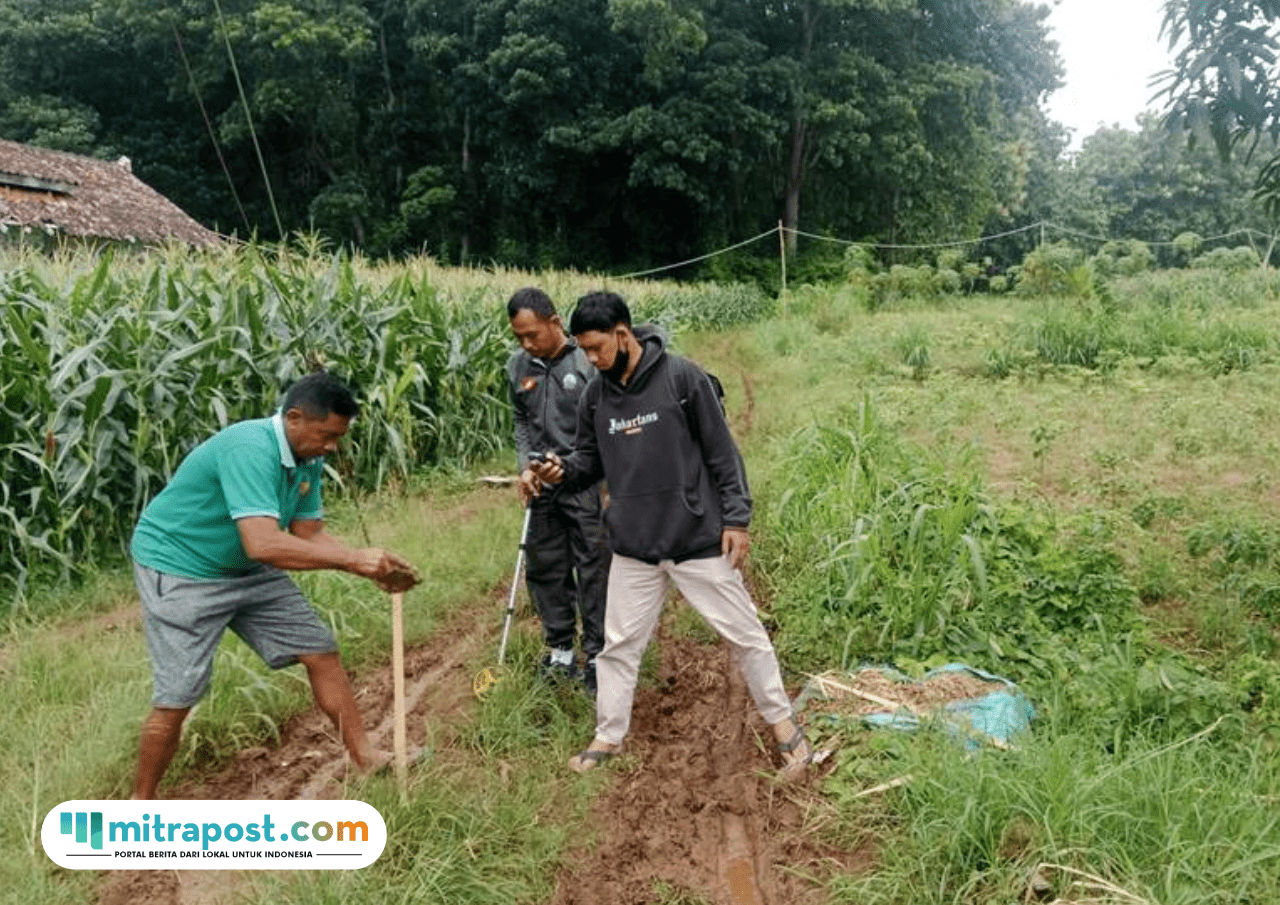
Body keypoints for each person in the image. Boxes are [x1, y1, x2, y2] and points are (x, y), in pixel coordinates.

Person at [527, 291, 812, 776]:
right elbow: (586, 463)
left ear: (623, 334)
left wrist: (737, 519)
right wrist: (558, 471)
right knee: (617, 648)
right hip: (635, 548)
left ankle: (784, 726)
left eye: (597, 348)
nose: (591, 360)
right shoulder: (596, 395)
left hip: (695, 540)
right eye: (584, 350)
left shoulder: (683, 378)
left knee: (745, 636)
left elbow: (723, 454)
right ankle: (608, 736)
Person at [128, 371, 419, 799]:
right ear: (294, 418)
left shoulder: (307, 457)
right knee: (179, 692)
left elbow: (308, 533)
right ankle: (141, 802)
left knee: (320, 650)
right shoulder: (250, 448)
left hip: (247, 566)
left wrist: (368, 566)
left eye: (338, 437)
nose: (331, 446)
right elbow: (263, 542)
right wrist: (354, 559)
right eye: (325, 435)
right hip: (181, 568)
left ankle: (366, 760)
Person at [506, 287, 610, 696]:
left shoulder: (586, 363)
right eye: (519, 337)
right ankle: (560, 651)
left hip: (583, 481)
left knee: (593, 568)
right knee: (545, 567)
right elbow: (520, 420)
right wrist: (524, 468)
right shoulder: (518, 367)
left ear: (555, 322)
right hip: (541, 484)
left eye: (533, 334)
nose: (526, 344)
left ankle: (599, 656)